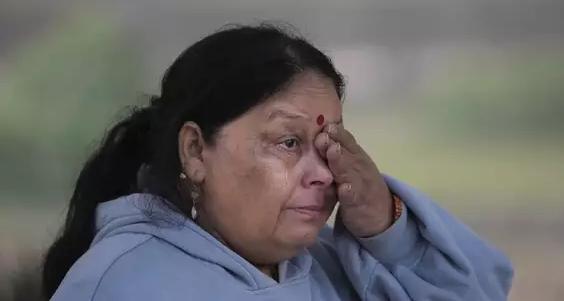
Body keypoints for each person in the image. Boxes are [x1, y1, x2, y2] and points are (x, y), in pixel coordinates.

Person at [43, 23, 513, 300]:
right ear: (195, 151)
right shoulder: (130, 284)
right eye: (288, 142)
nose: (325, 171)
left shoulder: (332, 266)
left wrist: (386, 230)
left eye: (329, 141)